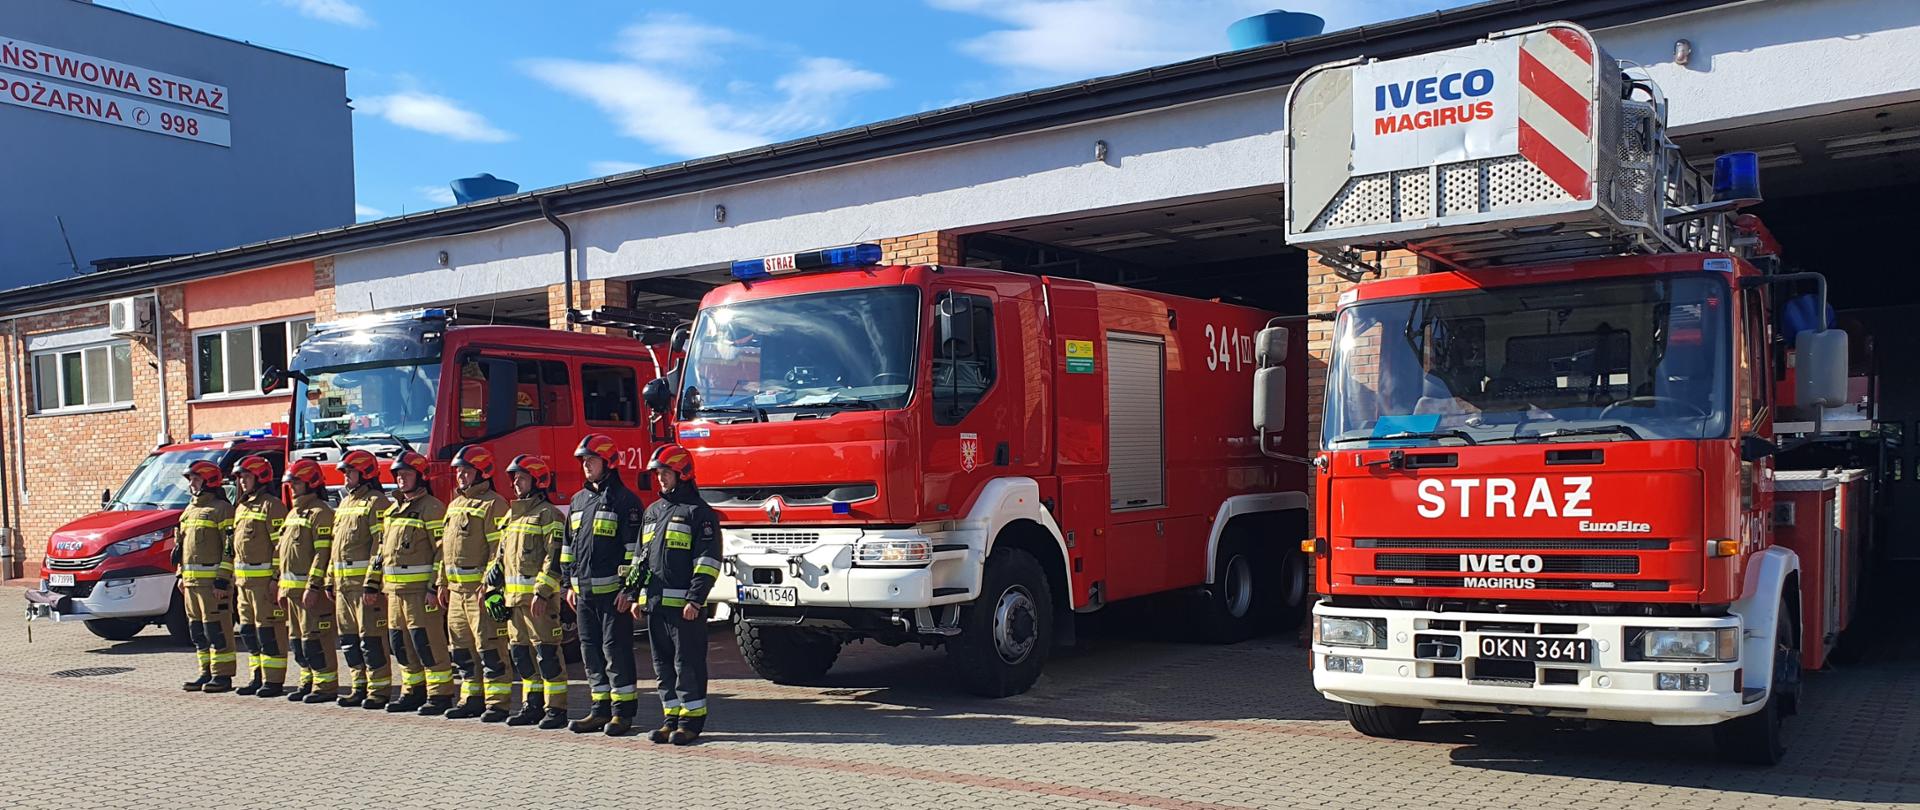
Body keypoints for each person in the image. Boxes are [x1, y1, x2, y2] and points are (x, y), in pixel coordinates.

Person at [624, 443, 722, 745]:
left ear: (682, 473)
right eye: (658, 474)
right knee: (663, 666)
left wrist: (695, 599)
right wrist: (635, 595)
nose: (660, 479)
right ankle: (670, 718)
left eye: (666, 473)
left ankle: (691, 722)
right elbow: (640, 558)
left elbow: (708, 562)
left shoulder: (700, 514)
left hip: (684, 609)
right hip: (654, 606)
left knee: (687, 665)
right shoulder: (652, 512)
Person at [564, 433, 647, 736]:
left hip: (613, 597)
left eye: (592, 460)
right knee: (591, 652)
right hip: (584, 596)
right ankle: (599, 709)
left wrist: (629, 590)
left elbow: (634, 553)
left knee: (616, 652)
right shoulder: (578, 501)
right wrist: (568, 586)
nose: (586, 465)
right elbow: (567, 549)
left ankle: (622, 713)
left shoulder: (626, 502)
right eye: (583, 461)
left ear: (609, 463)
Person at [365, 451, 454, 715]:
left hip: (419, 593)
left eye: (406, 474)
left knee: (427, 642)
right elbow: (381, 550)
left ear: (421, 476)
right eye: (398, 475)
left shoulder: (432, 508)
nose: (401, 479)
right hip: (393, 592)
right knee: (401, 644)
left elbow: (442, 550)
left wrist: (434, 586)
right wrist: (372, 583)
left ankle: (439, 694)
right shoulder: (392, 510)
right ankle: (411, 691)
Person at [486, 454, 570, 730]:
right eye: (514, 479)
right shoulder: (512, 515)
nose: (516, 484)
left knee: (547, 655)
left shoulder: (549, 515)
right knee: (521, 655)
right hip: (513, 601)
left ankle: (555, 710)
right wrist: (490, 587)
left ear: (537, 480)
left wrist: (543, 593)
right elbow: (500, 557)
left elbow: (555, 557)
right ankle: (531, 706)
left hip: (538, 603)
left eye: (521, 478)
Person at [441, 445, 512, 720]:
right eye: (459, 471)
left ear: (482, 472)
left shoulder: (495, 504)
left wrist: (489, 584)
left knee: (490, 648)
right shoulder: (454, 504)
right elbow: (443, 549)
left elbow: (498, 551)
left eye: (466, 471)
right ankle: (471, 698)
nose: (460, 476)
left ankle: (497, 702)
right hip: (456, 591)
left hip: (479, 592)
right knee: (461, 649)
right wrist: (441, 583)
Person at [328, 449, 394, 709]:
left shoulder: (377, 503)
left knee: (371, 640)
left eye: (350, 473)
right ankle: (359, 686)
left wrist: (372, 582)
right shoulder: (345, 503)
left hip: (363, 589)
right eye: (345, 473)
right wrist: (330, 580)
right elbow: (335, 546)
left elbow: (380, 546)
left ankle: (378, 690)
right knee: (349, 640)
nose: (345, 478)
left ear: (365, 473)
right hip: (343, 587)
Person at [277, 458, 339, 704]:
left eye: (296, 483)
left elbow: (322, 554)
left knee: (316, 640)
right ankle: (307, 682)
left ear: (311, 483)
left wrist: (314, 586)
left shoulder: (321, 513)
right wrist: (280, 584)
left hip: (309, 593)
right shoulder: (293, 513)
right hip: (291, 593)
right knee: (298, 642)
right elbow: (281, 553)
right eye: (291, 483)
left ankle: (325, 686)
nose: (292, 488)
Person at [230, 454, 291, 698]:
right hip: (244, 585)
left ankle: (273, 680)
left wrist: (276, 579)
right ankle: (257, 675)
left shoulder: (272, 506)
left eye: (246, 477)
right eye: (241, 478)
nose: (243, 482)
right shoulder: (242, 507)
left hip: (265, 584)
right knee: (249, 632)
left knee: (269, 632)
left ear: (260, 477)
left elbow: (280, 547)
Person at [174, 459, 237, 693]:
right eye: (190, 479)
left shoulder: (222, 509)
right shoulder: (189, 510)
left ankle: (223, 676)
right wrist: (180, 575)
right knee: (199, 631)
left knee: (217, 630)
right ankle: (206, 672)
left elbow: (230, 547)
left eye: (196, 479)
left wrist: (222, 579)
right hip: (191, 585)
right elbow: (180, 547)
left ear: (209, 481)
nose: (191, 484)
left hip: (213, 586)